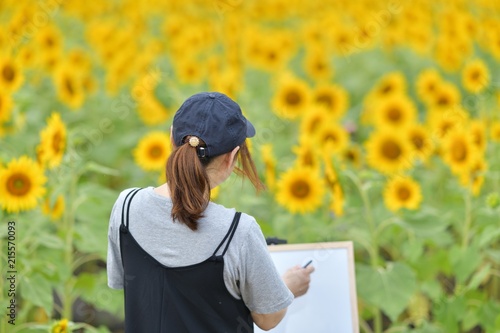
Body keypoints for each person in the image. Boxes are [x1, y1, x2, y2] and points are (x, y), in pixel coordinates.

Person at [107, 92, 315, 332]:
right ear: (231, 158)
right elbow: (268, 318)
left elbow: (125, 280)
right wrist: (288, 285)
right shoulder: (238, 232)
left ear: (172, 139)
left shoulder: (125, 207)